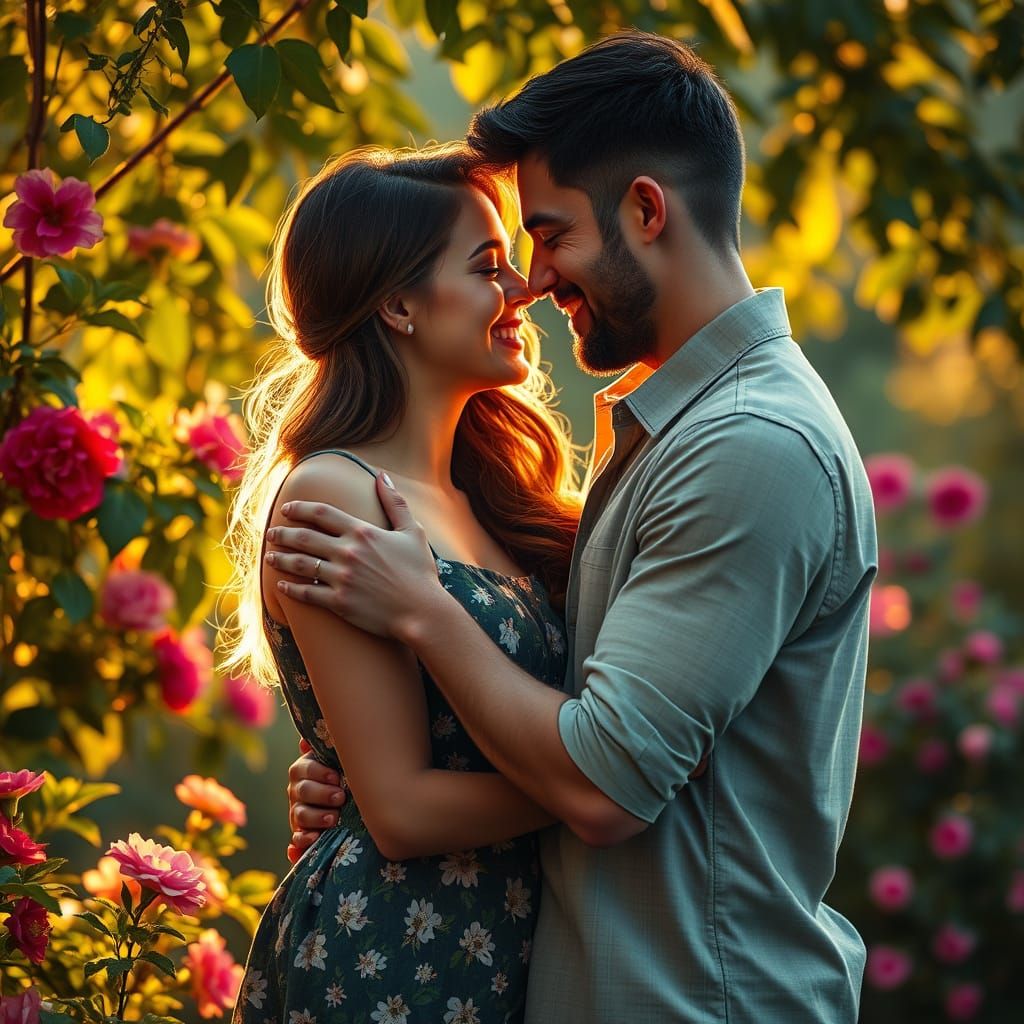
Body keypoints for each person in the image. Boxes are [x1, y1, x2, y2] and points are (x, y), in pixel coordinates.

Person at [276, 32, 878, 1023]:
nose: (536, 281)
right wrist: (365, 780)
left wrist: (425, 616)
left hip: (696, 998)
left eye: (548, 236)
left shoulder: (750, 447)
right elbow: (560, 723)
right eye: (508, 255)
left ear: (645, 210)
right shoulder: (662, 428)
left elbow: (603, 784)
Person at [221, 144, 583, 1022]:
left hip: (502, 951)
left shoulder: (493, 495)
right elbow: (402, 811)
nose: (523, 290)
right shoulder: (335, 494)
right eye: (487, 266)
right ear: (397, 305)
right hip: (391, 962)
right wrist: (608, 788)